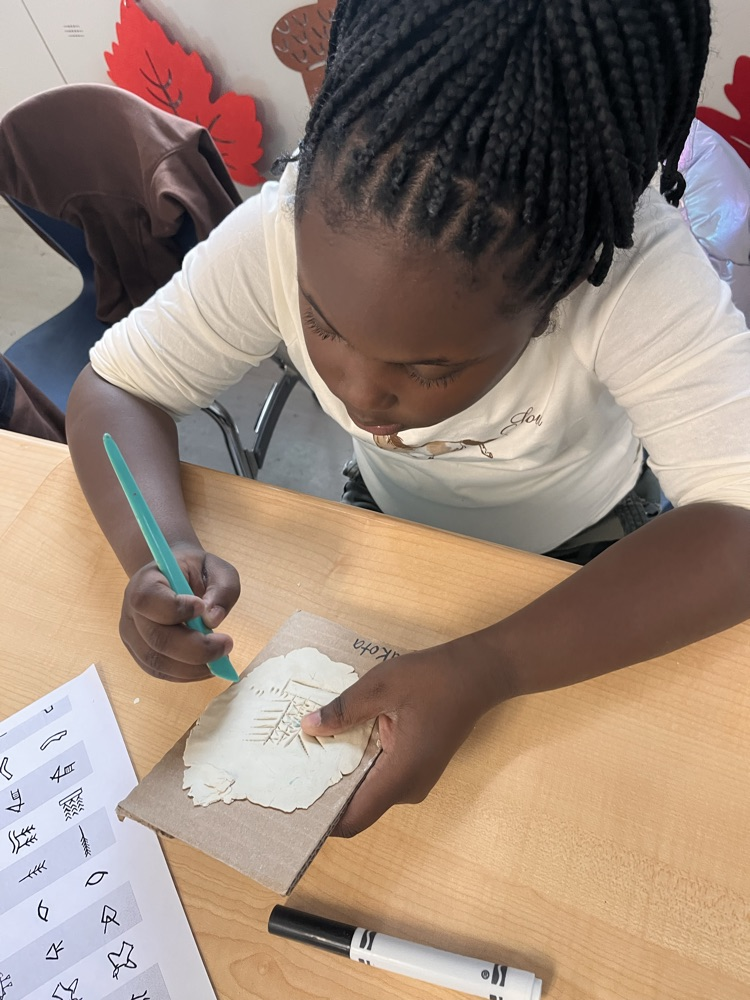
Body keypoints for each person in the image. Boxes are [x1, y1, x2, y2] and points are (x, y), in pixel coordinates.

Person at [67, 0, 750, 838]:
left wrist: (493, 664)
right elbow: (114, 389)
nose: (354, 393)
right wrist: (158, 550)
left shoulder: (629, 275)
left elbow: (737, 525)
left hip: (592, 556)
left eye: (429, 369)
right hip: (396, 531)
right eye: (319, 321)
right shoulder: (285, 230)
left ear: (557, 295)